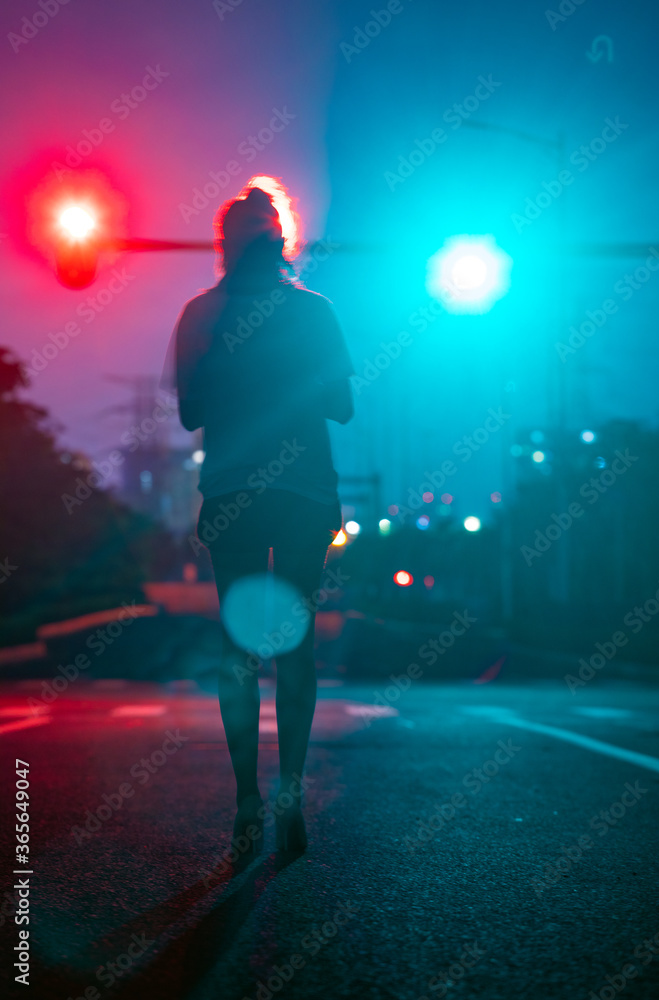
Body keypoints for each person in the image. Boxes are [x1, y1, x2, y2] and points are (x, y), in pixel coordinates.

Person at [163, 182, 354, 855]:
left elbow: (190, 413)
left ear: (224, 245)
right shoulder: (314, 311)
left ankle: (246, 798)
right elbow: (342, 406)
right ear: (282, 240)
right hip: (303, 492)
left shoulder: (199, 314)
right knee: (294, 644)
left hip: (234, 490)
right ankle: (290, 792)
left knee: (240, 648)